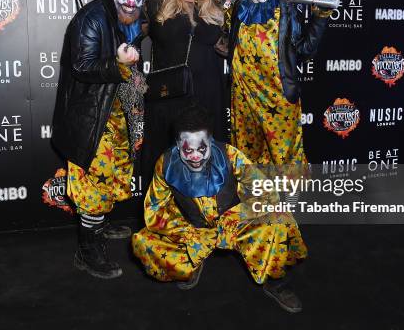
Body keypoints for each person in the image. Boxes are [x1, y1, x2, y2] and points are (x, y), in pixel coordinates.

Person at [132, 105, 308, 312]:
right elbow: (155, 209)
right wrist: (187, 233)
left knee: (278, 220)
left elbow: (268, 194)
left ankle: (275, 281)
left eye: (202, 148)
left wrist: (236, 217)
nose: (195, 156)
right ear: (178, 145)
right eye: (187, 150)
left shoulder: (231, 155)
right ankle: (193, 261)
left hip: (236, 225)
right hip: (195, 231)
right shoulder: (165, 164)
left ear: (211, 142)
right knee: (145, 242)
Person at [52, 0, 148, 279]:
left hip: (117, 112)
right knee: (92, 184)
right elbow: (82, 66)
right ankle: (87, 249)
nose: (130, 8)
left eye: (136, 1)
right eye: (124, 1)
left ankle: (100, 225)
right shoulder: (91, 19)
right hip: (92, 116)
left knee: (111, 177)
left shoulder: (131, 17)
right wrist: (116, 63)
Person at [223, 0, 332, 166]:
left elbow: (304, 49)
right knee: (247, 154)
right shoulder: (236, 8)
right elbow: (222, 37)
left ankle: (291, 197)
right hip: (244, 98)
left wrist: (320, 17)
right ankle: (256, 196)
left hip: (278, 95)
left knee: (287, 153)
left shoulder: (285, 10)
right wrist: (215, 0)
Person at [140, 0, 228, 193]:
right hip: (170, 97)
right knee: (165, 158)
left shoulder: (211, 6)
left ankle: (204, 213)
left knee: (204, 159)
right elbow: (130, 36)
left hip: (207, 95)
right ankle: (163, 216)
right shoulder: (156, 2)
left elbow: (226, 48)